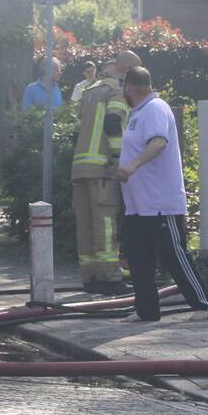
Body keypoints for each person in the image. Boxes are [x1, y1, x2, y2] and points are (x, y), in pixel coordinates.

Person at [117, 66, 208, 321]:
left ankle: (203, 305)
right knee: (139, 260)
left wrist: (132, 165)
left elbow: (159, 142)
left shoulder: (155, 108)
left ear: (129, 87)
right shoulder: (137, 113)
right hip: (138, 204)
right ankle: (146, 311)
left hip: (160, 202)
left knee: (173, 254)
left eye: (124, 88)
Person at [70, 51, 139, 295]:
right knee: (106, 221)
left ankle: (90, 277)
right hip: (102, 167)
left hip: (80, 167)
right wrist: (118, 159)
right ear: (126, 71)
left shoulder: (90, 90)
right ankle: (109, 277)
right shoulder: (117, 91)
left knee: (86, 222)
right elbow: (112, 124)